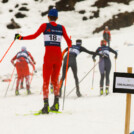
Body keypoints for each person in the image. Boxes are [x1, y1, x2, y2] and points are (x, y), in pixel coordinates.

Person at [14, 8, 72, 114]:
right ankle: (56, 103)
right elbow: (69, 43)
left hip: (49, 57)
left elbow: (34, 36)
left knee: (46, 81)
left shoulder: (44, 26)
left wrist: (21, 38)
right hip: (58, 57)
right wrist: (70, 42)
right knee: (55, 81)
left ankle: (46, 106)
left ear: (48, 17)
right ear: (57, 18)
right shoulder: (61, 28)